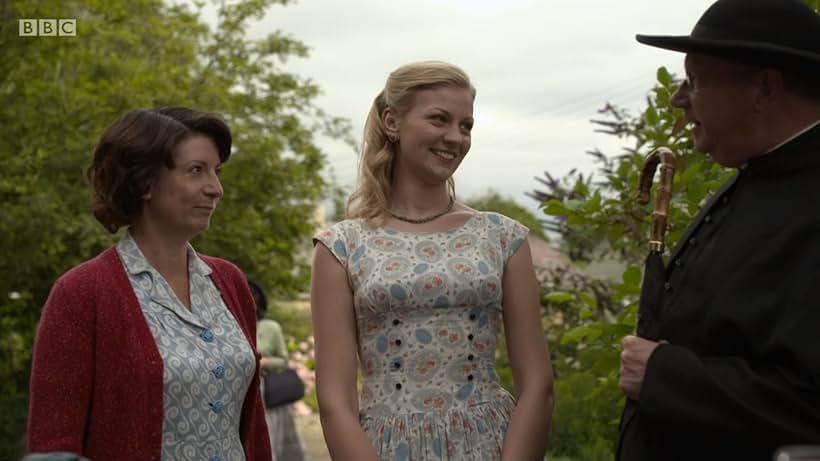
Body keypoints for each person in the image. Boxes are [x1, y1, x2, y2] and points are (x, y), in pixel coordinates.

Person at [310, 60, 554, 460]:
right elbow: (335, 401)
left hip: (491, 444)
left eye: (466, 125)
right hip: (385, 448)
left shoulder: (502, 237)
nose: (455, 137)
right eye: (439, 120)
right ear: (392, 121)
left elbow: (538, 383)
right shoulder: (341, 247)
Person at [618, 1, 820, 460]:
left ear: (764, 89)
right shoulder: (756, 177)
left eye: (695, 81)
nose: (678, 100)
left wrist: (664, 375)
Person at [27, 107, 272, 461]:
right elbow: (53, 447)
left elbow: (254, 428)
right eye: (196, 171)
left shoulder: (230, 283)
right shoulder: (81, 293)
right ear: (145, 182)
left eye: (216, 172)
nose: (215, 189)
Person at [248, 279, 309, 461]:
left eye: (253, 297)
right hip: (241, 391)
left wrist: (264, 362)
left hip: (267, 391)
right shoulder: (229, 325)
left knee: (271, 436)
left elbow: (283, 360)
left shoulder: (271, 328)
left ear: (259, 302)